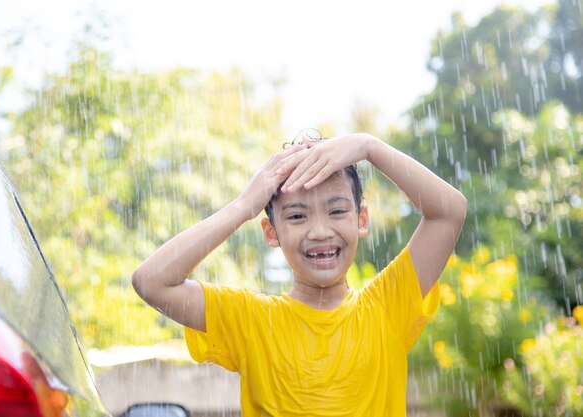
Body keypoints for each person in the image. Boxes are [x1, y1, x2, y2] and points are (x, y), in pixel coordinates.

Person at [132, 131, 467, 416]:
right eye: (296, 216)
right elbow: (151, 281)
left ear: (361, 219)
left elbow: (449, 212)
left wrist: (369, 147)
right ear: (271, 232)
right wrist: (242, 206)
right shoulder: (251, 321)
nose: (319, 231)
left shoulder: (386, 307)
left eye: (336, 211)